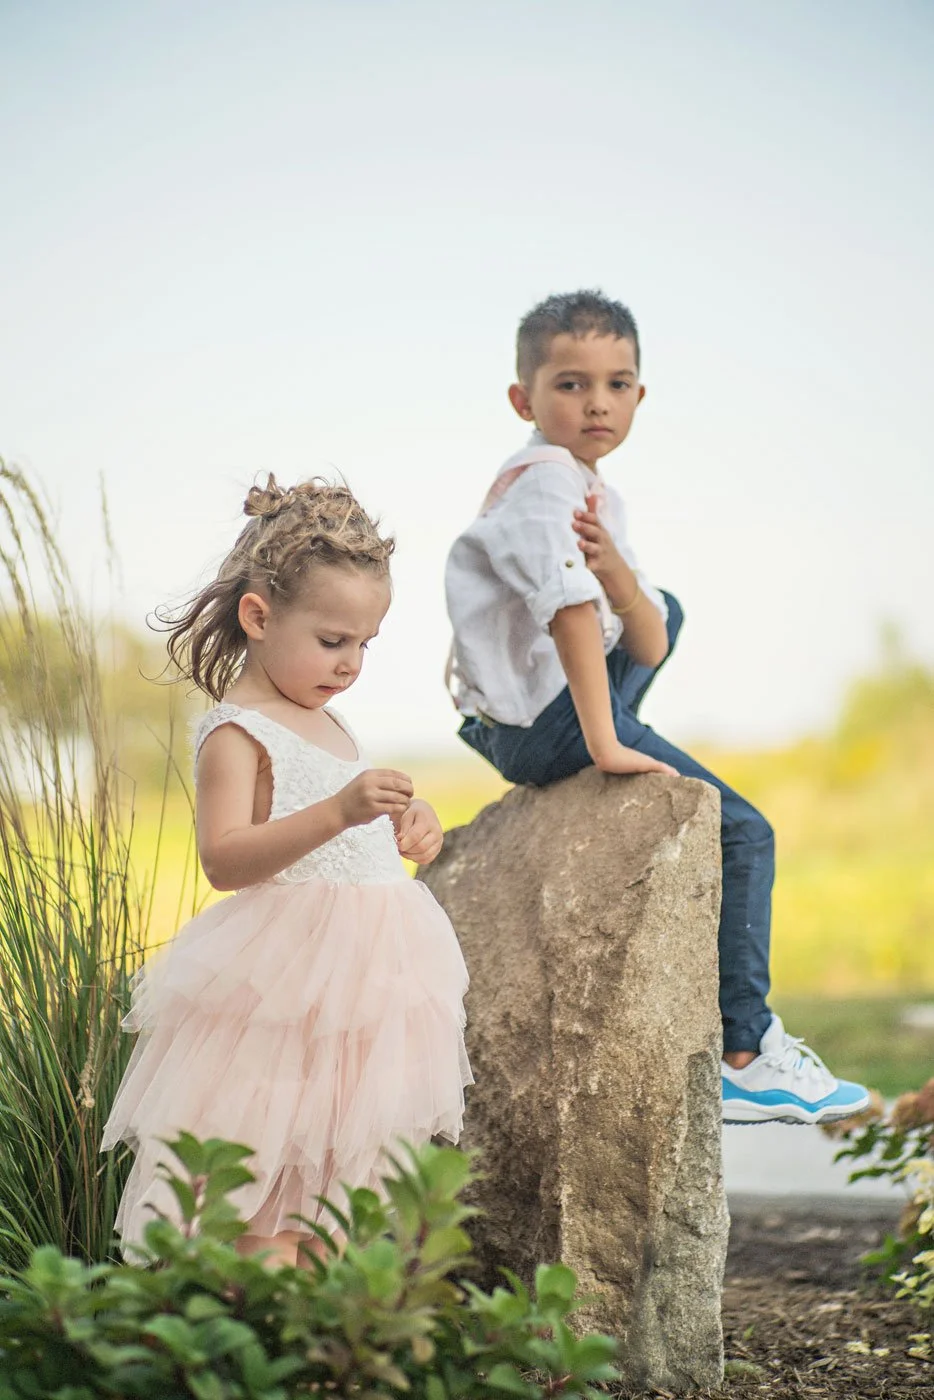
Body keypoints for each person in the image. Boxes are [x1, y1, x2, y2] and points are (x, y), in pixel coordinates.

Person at [445, 289, 868, 1126]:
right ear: (523, 400)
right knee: (743, 830)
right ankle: (746, 1055)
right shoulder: (542, 485)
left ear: (639, 395)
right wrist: (606, 742)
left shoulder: (594, 492)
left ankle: (747, 1049)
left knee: (661, 604)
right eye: (569, 384)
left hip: (543, 710)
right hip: (544, 723)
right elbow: (567, 612)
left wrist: (620, 580)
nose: (596, 402)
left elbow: (646, 643)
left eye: (616, 383)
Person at [103, 476, 472, 1264]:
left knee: (342, 1196)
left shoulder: (329, 716)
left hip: (365, 995)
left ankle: (320, 1359)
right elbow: (224, 858)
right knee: (267, 1191)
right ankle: (254, 1341)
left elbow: (351, 824)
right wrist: (338, 812)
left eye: (366, 644)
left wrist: (405, 821)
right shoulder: (236, 731)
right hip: (285, 990)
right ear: (259, 617)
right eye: (334, 641)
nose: (351, 664)